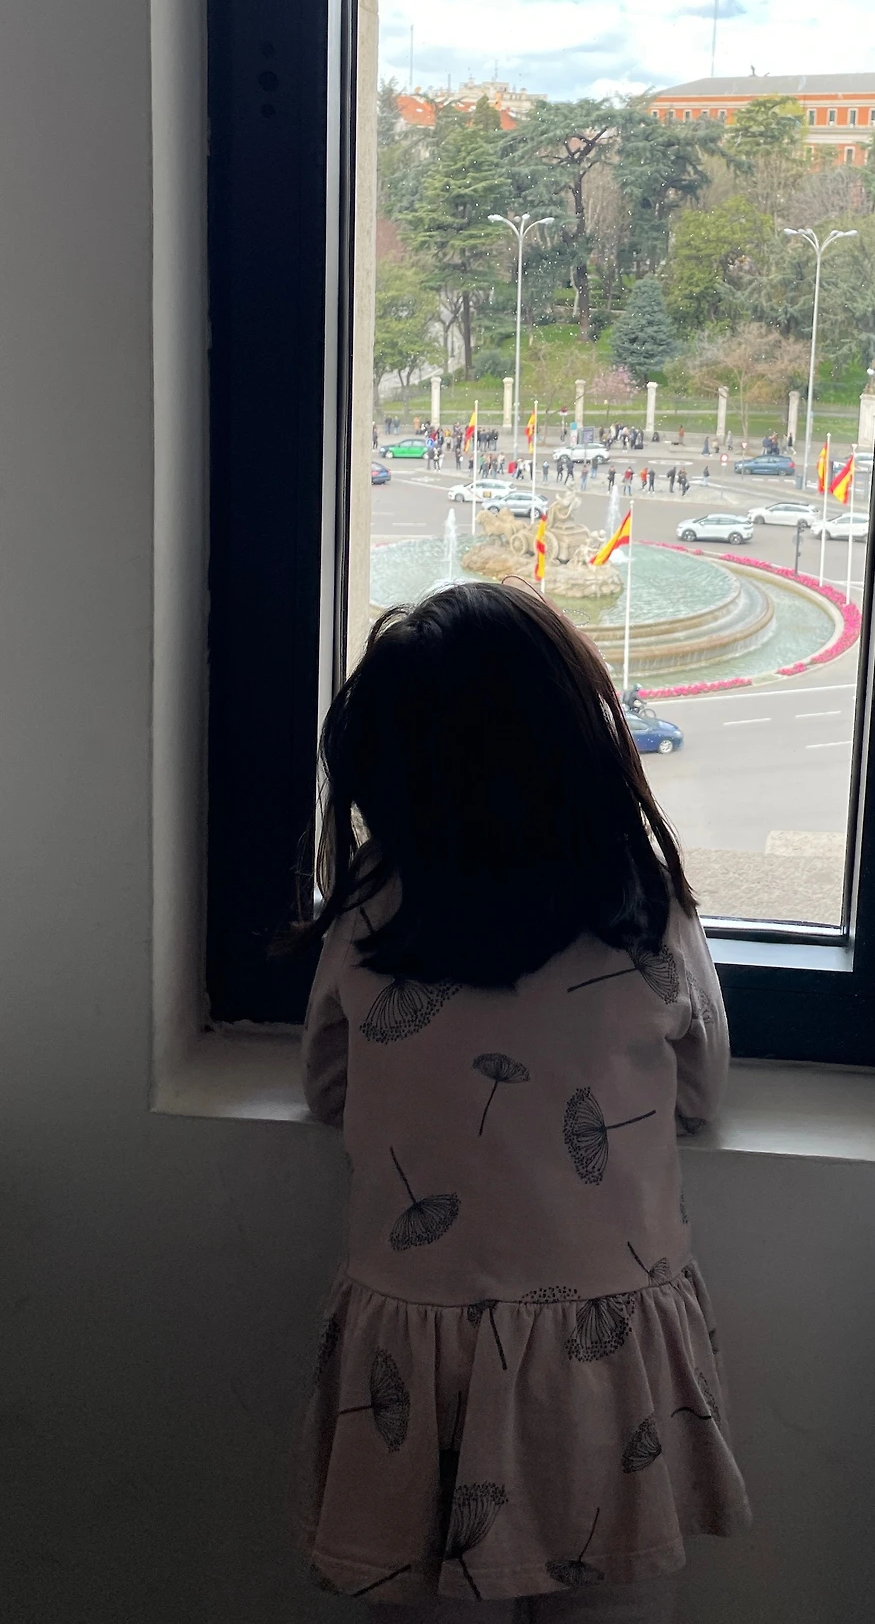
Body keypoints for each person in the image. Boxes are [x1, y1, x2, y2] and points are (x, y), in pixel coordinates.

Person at [293, 587, 748, 1617]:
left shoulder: (371, 908)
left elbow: (327, 1087)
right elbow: (698, 1092)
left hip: (422, 1360)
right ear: (582, 752)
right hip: (607, 1367)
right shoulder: (641, 906)